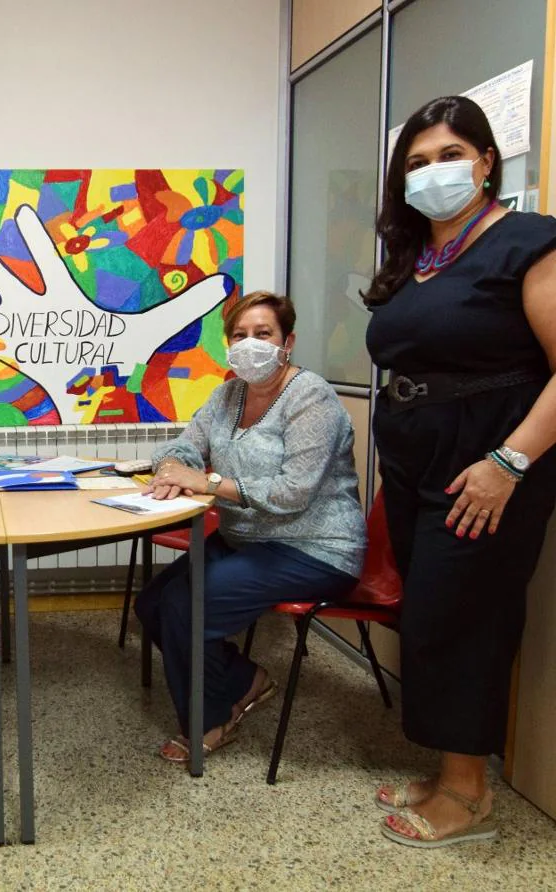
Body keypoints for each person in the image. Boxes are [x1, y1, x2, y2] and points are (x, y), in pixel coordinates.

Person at [365, 95, 556, 848]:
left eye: (449, 155)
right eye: (416, 162)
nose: (433, 172)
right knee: (430, 614)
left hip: (490, 457)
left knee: (462, 617)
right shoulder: (416, 259)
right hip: (417, 456)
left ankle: (469, 796)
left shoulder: (529, 242)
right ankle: (450, 769)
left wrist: (508, 463)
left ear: (485, 161)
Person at [136, 290, 366, 764]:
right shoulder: (227, 395)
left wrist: (208, 480)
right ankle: (245, 680)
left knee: (185, 606)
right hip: (247, 539)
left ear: (288, 343)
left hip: (313, 547)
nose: (249, 344)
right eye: (239, 335)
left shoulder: (312, 398)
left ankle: (210, 719)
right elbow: (180, 448)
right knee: (153, 603)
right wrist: (174, 468)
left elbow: (292, 492)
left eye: (263, 334)